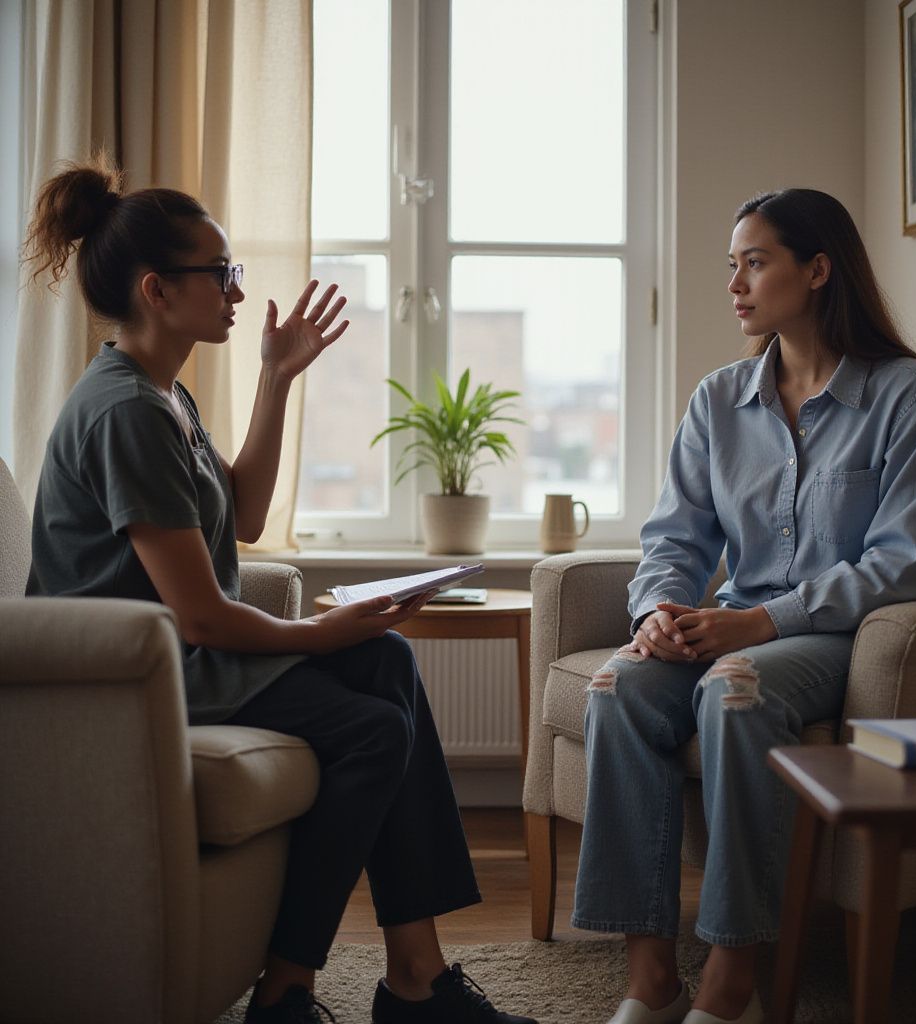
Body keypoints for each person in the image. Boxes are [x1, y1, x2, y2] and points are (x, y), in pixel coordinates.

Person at [23, 155, 537, 1024]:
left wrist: (276, 377)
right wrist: (323, 632)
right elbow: (198, 614)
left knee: (389, 666)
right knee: (374, 724)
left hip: (185, 659)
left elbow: (247, 516)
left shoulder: (164, 397)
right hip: (134, 683)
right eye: (220, 273)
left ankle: (417, 976)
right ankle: (289, 987)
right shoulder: (124, 413)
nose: (234, 290)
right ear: (157, 289)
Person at [572, 188, 916, 1024]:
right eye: (733, 265)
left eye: (756, 262)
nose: (736, 284)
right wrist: (660, 612)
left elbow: (903, 563)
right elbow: (674, 538)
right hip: (741, 621)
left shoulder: (913, 396)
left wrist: (756, 623)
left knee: (736, 689)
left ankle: (733, 980)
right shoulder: (718, 401)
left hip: (856, 637)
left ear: (818, 269)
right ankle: (649, 983)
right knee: (616, 688)